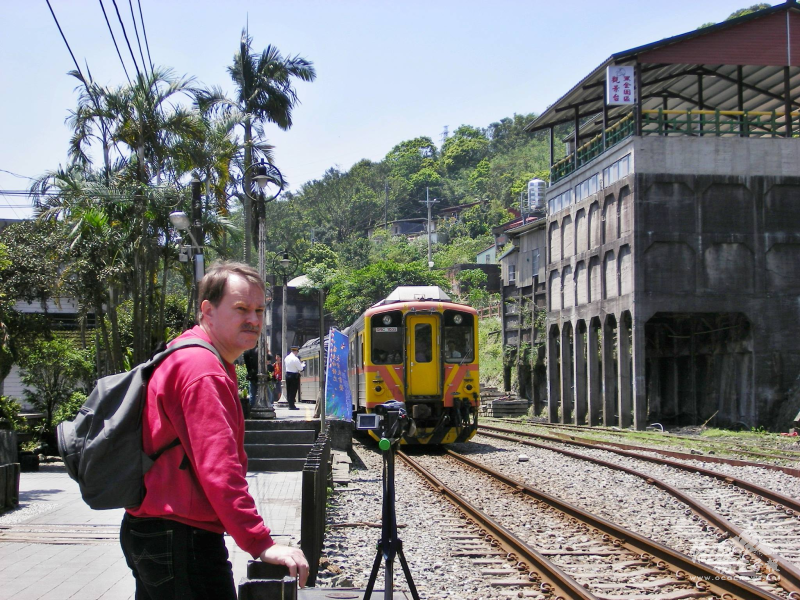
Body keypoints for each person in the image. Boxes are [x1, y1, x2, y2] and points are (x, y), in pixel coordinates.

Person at [120, 261, 309, 599]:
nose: (253, 319)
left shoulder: (188, 353)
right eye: (240, 309)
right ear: (208, 310)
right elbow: (219, 469)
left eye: (258, 309)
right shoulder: (203, 368)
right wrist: (259, 541)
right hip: (181, 536)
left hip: (157, 531)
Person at [284, 345, 305, 410]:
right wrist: (303, 365)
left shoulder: (286, 358)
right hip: (294, 376)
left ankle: (290, 404)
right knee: (293, 390)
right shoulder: (295, 359)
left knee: (289, 390)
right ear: (296, 351)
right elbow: (300, 368)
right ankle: (292, 405)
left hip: (287, 375)